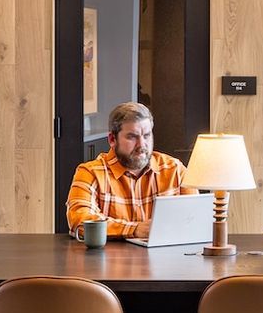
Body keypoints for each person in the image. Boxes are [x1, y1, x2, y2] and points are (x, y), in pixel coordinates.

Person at [65, 99, 188, 239]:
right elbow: (80, 221)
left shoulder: (175, 169)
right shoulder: (90, 172)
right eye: (132, 137)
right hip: (110, 260)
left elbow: (196, 219)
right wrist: (133, 229)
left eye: (147, 135)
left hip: (166, 258)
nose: (142, 145)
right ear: (112, 139)